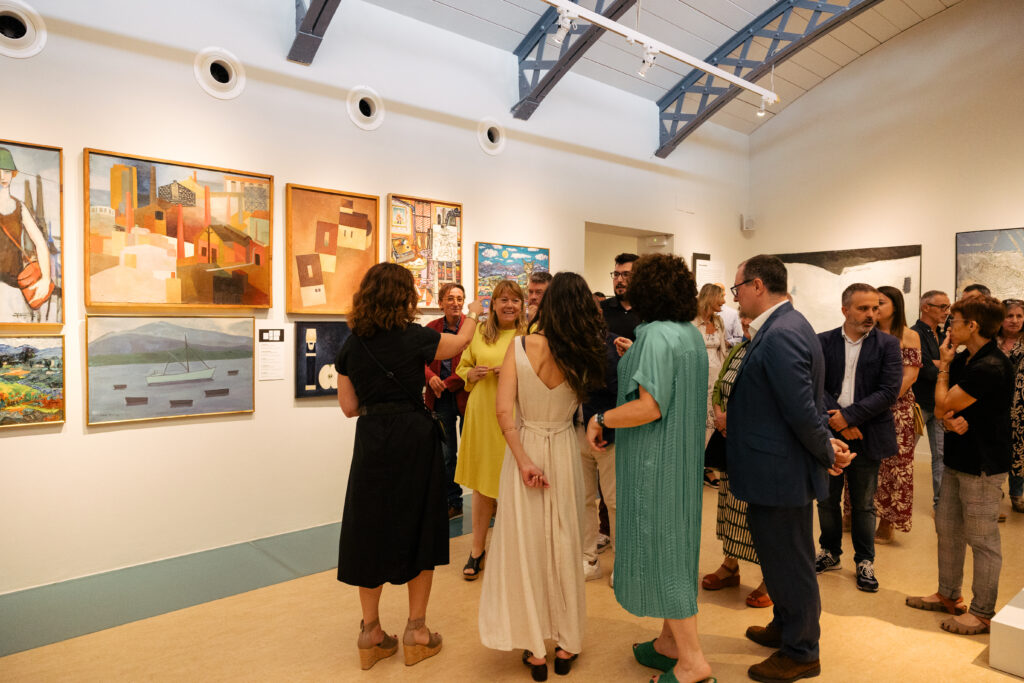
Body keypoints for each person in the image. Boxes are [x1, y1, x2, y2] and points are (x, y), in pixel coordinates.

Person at [334, 263, 483, 670]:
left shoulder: (351, 344)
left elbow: (349, 408)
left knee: (370, 528)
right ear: (405, 296)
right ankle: (417, 632)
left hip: (372, 438)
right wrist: (472, 310)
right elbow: (460, 342)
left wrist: (379, 407)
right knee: (419, 525)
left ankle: (371, 634)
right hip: (414, 436)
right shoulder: (415, 336)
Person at [586, 253, 713, 683]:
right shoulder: (688, 334)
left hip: (655, 464)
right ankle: (669, 643)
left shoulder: (657, 336)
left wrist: (601, 419)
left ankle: (693, 661)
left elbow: (649, 407)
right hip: (680, 463)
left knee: (663, 554)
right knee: (677, 549)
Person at [727, 255, 854, 683]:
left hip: (778, 471)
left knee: (790, 561)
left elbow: (801, 410)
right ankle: (785, 626)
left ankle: (802, 652)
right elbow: (807, 402)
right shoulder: (789, 326)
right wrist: (826, 444)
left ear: (757, 286)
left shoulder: (780, 334)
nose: (736, 296)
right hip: (774, 467)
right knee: (779, 558)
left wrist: (826, 452)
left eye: (737, 287)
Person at [479, 272, 606, 681]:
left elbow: (503, 413)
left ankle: (536, 649)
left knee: (526, 546)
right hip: (565, 450)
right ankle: (567, 642)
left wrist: (523, 461)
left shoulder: (518, 346)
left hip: (528, 448)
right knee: (566, 544)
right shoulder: (584, 353)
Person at [906, 296, 1013, 636]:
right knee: (948, 530)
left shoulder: (990, 365)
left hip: (982, 464)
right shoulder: (968, 357)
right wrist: (950, 417)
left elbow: (941, 406)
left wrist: (943, 371)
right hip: (958, 457)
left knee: (982, 540)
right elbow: (945, 413)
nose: (948, 325)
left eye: (955, 320)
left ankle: (982, 613)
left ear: (973, 326)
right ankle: (948, 594)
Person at [815, 283, 901, 593]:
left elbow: (888, 392)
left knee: (864, 504)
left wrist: (848, 418)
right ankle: (829, 552)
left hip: (867, 434)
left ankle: (864, 561)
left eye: (875, 308)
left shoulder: (888, 345)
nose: (871, 314)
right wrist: (837, 420)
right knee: (826, 499)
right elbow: (815, 385)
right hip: (828, 432)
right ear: (845, 310)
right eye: (863, 308)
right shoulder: (822, 341)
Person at [455, 280, 527, 580]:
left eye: (515, 300)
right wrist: (470, 373)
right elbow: (462, 367)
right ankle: (476, 550)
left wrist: (513, 372)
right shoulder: (480, 334)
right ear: (493, 305)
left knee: (515, 487)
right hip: (483, 416)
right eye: (503, 300)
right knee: (483, 487)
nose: (509, 305)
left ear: (522, 305)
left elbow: (542, 372)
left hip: (516, 418)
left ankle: (513, 552)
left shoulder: (529, 335)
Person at [700, 314, 773, 609]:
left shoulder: (770, 348)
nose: (745, 321)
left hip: (757, 444)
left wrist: (737, 420)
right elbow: (720, 386)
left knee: (758, 515)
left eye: (751, 317)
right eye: (742, 316)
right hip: (731, 440)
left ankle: (771, 578)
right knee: (730, 506)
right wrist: (719, 414)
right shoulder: (740, 349)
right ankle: (730, 566)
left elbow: (767, 398)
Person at [873, 286, 923, 542]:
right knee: (867, 463)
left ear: (895, 305)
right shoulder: (867, 333)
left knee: (896, 466)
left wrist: (884, 399)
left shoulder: (909, 335)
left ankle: (887, 520)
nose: (875, 308)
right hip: (867, 407)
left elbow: (910, 375)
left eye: (880, 303)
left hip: (897, 408)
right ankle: (857, 511)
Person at [424, 283, 471, 519]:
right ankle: (453, 501)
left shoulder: (472, 329)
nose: (455, 303)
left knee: (473, 451)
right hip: (439, 399)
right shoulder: (431, 329)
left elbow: (472, 362)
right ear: (441, 302)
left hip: (466, 397)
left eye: (460, 298)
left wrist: (449, 382)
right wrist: (431, 377)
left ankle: (489, 499)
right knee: (445, 453)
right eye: (450, 298)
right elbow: (418, 359)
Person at [578, 328, 620, 583]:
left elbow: (617, 391)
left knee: (614, 501)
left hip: (607, 434)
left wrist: (604, 423)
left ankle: (621, 562)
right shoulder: (559, 342)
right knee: (582, 498)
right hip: (574, 431)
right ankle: (588, 557)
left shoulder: (608, 344)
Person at [0, 147, 53, 322]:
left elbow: (40, 243)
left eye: (7, 171)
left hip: (16, 282)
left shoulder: (20, 207)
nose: (3, 176)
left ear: (13, 174)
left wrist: (46, 278)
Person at [912, 290, 950, 507]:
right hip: (918, 404)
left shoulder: (945, 336)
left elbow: (944, 366)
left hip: (941, 403)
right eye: (942, 307)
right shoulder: (914, 334)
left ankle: (941, 504)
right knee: (905, 454)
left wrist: (939, 364)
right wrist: (944, 364)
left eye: (948, 307)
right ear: (926, 307)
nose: (947, 311)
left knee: (942, 457)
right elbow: (925, 369)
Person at [996, 299, 1024, 512]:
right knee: (996, 447)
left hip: (1022, 407)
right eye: (1009, 316)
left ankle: (1017, 494)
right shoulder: (990, 342)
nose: (1014, 321)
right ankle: (995, 492)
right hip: (994, 405)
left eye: (1019, 316)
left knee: (1020, 450)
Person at [695, 283, 731, 445]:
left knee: (714, 421)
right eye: (721, 297)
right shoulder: (691, 322)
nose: (724, 301)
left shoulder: (718, 321)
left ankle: (709, 463)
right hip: (697, 379)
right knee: (698, 421)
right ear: (710, 297)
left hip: (716, 378)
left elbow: (722, 350)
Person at [600, 252, 640, 343]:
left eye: (626, 274)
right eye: (616, 274)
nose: (619, 280)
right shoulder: (601, 309)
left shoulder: (648, 311)